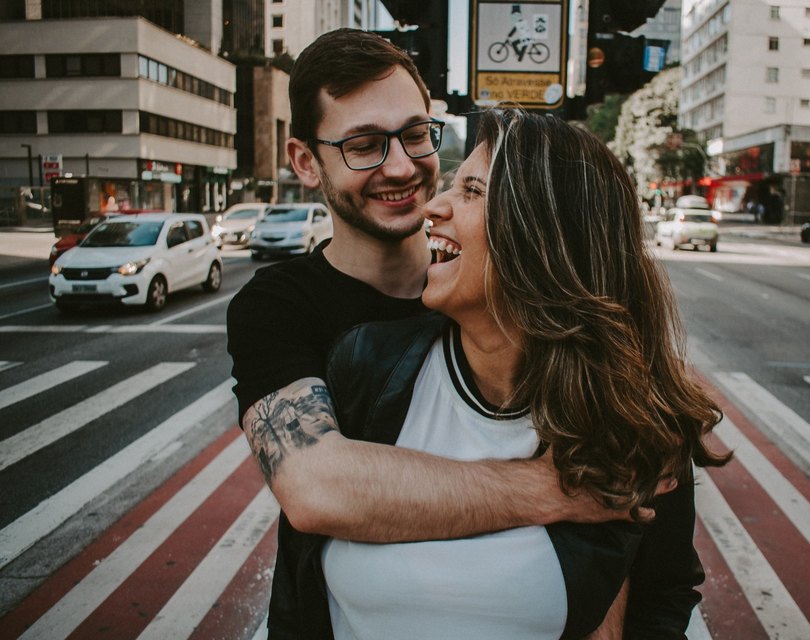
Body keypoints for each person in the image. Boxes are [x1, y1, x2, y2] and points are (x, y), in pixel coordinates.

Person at [227, 29, 706, 639]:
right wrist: (559, 487)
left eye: (416, 134)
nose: (402, 167)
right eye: (364, 146)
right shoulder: (308, 323)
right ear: (304, 160)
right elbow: (316, 485)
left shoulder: (527, 328)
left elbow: (649, 577)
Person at [316, 107, 731, 638]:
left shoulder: (636, 422)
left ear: (543, 236)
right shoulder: (368, 366)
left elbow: (663, 596)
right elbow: (301, 578)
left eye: (470, 190)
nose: (433, 207)